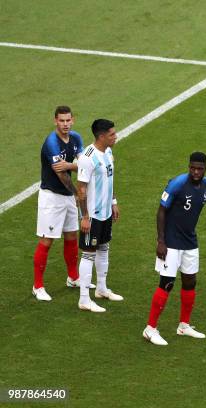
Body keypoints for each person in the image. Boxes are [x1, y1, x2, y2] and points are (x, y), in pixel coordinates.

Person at [143, 152, 206, 345]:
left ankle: (184, 325)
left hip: (190, 241)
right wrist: (161, 240)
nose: (195, 172)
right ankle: (150, 328)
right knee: (167, 283)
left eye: (199, 168)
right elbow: (161, 210)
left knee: (190, 281)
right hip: (171, 241)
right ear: (188, 166)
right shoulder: (178, 184)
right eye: (192, 168)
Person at [32, 106, 88, 302]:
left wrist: (70, 165)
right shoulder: (51, 143)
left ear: (72, 120)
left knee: (71, 235)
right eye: (61, 121)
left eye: (68, 120)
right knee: (47, 240)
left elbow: (84, 164)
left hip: (68, 196)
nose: (65, 124)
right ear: (55, 121)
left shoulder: (76, 138)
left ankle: (73, 277)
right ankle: (37, 286)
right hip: (52, 197)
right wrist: (77, 193)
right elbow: (61, 174)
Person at [76, 119, 123, 313]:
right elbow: (81, 189)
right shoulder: (88, 157)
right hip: (93, 215)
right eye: (112, 134)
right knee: (88, 254)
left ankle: (101, 289)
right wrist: (85, 217)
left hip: (105, 212)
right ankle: (84, 299)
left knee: (104, 247)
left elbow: (110, 179)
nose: (115, 136)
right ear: (101, 136)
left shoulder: (109, 152)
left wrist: (113, 202)